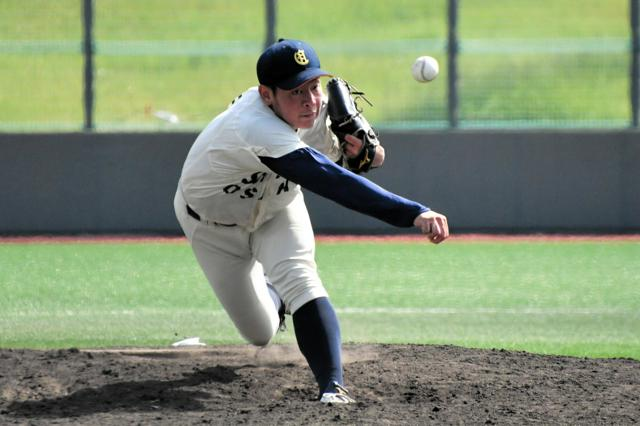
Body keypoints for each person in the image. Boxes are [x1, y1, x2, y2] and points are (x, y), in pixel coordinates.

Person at [173, 39, 449, 404]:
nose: (310, 101)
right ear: (267, 95)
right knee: (260, 333)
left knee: (302, 281)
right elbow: (330, 181)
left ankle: (332, 387)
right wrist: (412, 211)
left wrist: (365, 154)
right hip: (212, 228)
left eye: (314, 86)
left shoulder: (314, 113)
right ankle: (275, 294)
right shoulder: (252, 124)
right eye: (295, 92)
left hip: (278, 211)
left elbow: (356, 160)